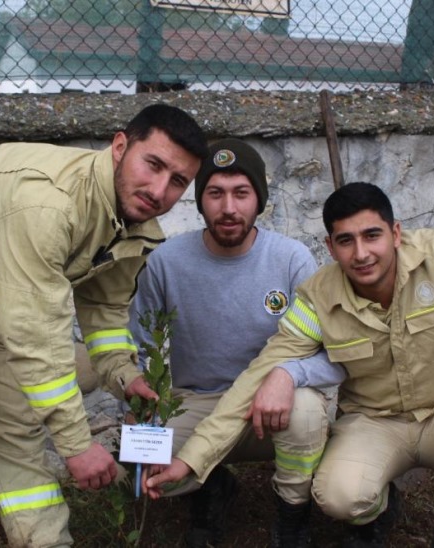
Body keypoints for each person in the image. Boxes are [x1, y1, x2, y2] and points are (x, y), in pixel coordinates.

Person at [0, 104, 207, 548]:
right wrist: (78, 445)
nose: (160, 189)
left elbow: (103, 312)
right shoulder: (50, 204)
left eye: (178, 180)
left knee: (14, 422)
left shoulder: (134, 225)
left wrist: (123, 374)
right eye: (153, 164)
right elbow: (35, 336)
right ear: (120, 146)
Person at [146, 182, 434, 547]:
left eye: (372, 235)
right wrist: (194, 458)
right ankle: (376, 512)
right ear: (330, 246)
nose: (361, 254)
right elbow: (254, 378)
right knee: (339, 496)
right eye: (346, 240)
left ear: (395, 233)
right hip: (374, 422)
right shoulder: (316, 298)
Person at [130, 139, 343, 547]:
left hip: (270, 406)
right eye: (215, 193)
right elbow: (139, 344)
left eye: (241, 193)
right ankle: (214, 489)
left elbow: (330, 355)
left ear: (258, 200)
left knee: (306, 410)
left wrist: (286, 374)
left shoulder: (291, 259)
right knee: (139, 467)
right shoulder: (166, 261)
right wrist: (139, 401)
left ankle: (292, 513)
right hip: (196, 402)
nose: (228, 208)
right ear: (200, 201)